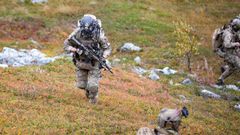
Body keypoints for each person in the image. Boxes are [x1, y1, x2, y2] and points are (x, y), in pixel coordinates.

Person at [64, 14, 111, 104]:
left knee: (93, 85)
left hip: (94, 63)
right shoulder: (76, 34)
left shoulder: (99, 36)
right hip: (81, 62)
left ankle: (93, 99)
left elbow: (107, 48)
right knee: (81, 85)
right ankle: (88, 91)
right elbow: (66, 45)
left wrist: (103, 57)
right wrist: (76, 50)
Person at [213, 16, 240, 85]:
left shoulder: (230, 31)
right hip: (229, 54)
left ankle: (220, 80)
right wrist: (236, 44)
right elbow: (226, 44)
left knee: (232, 68)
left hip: (230, 53)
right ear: (235, 27)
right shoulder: (228, 34)